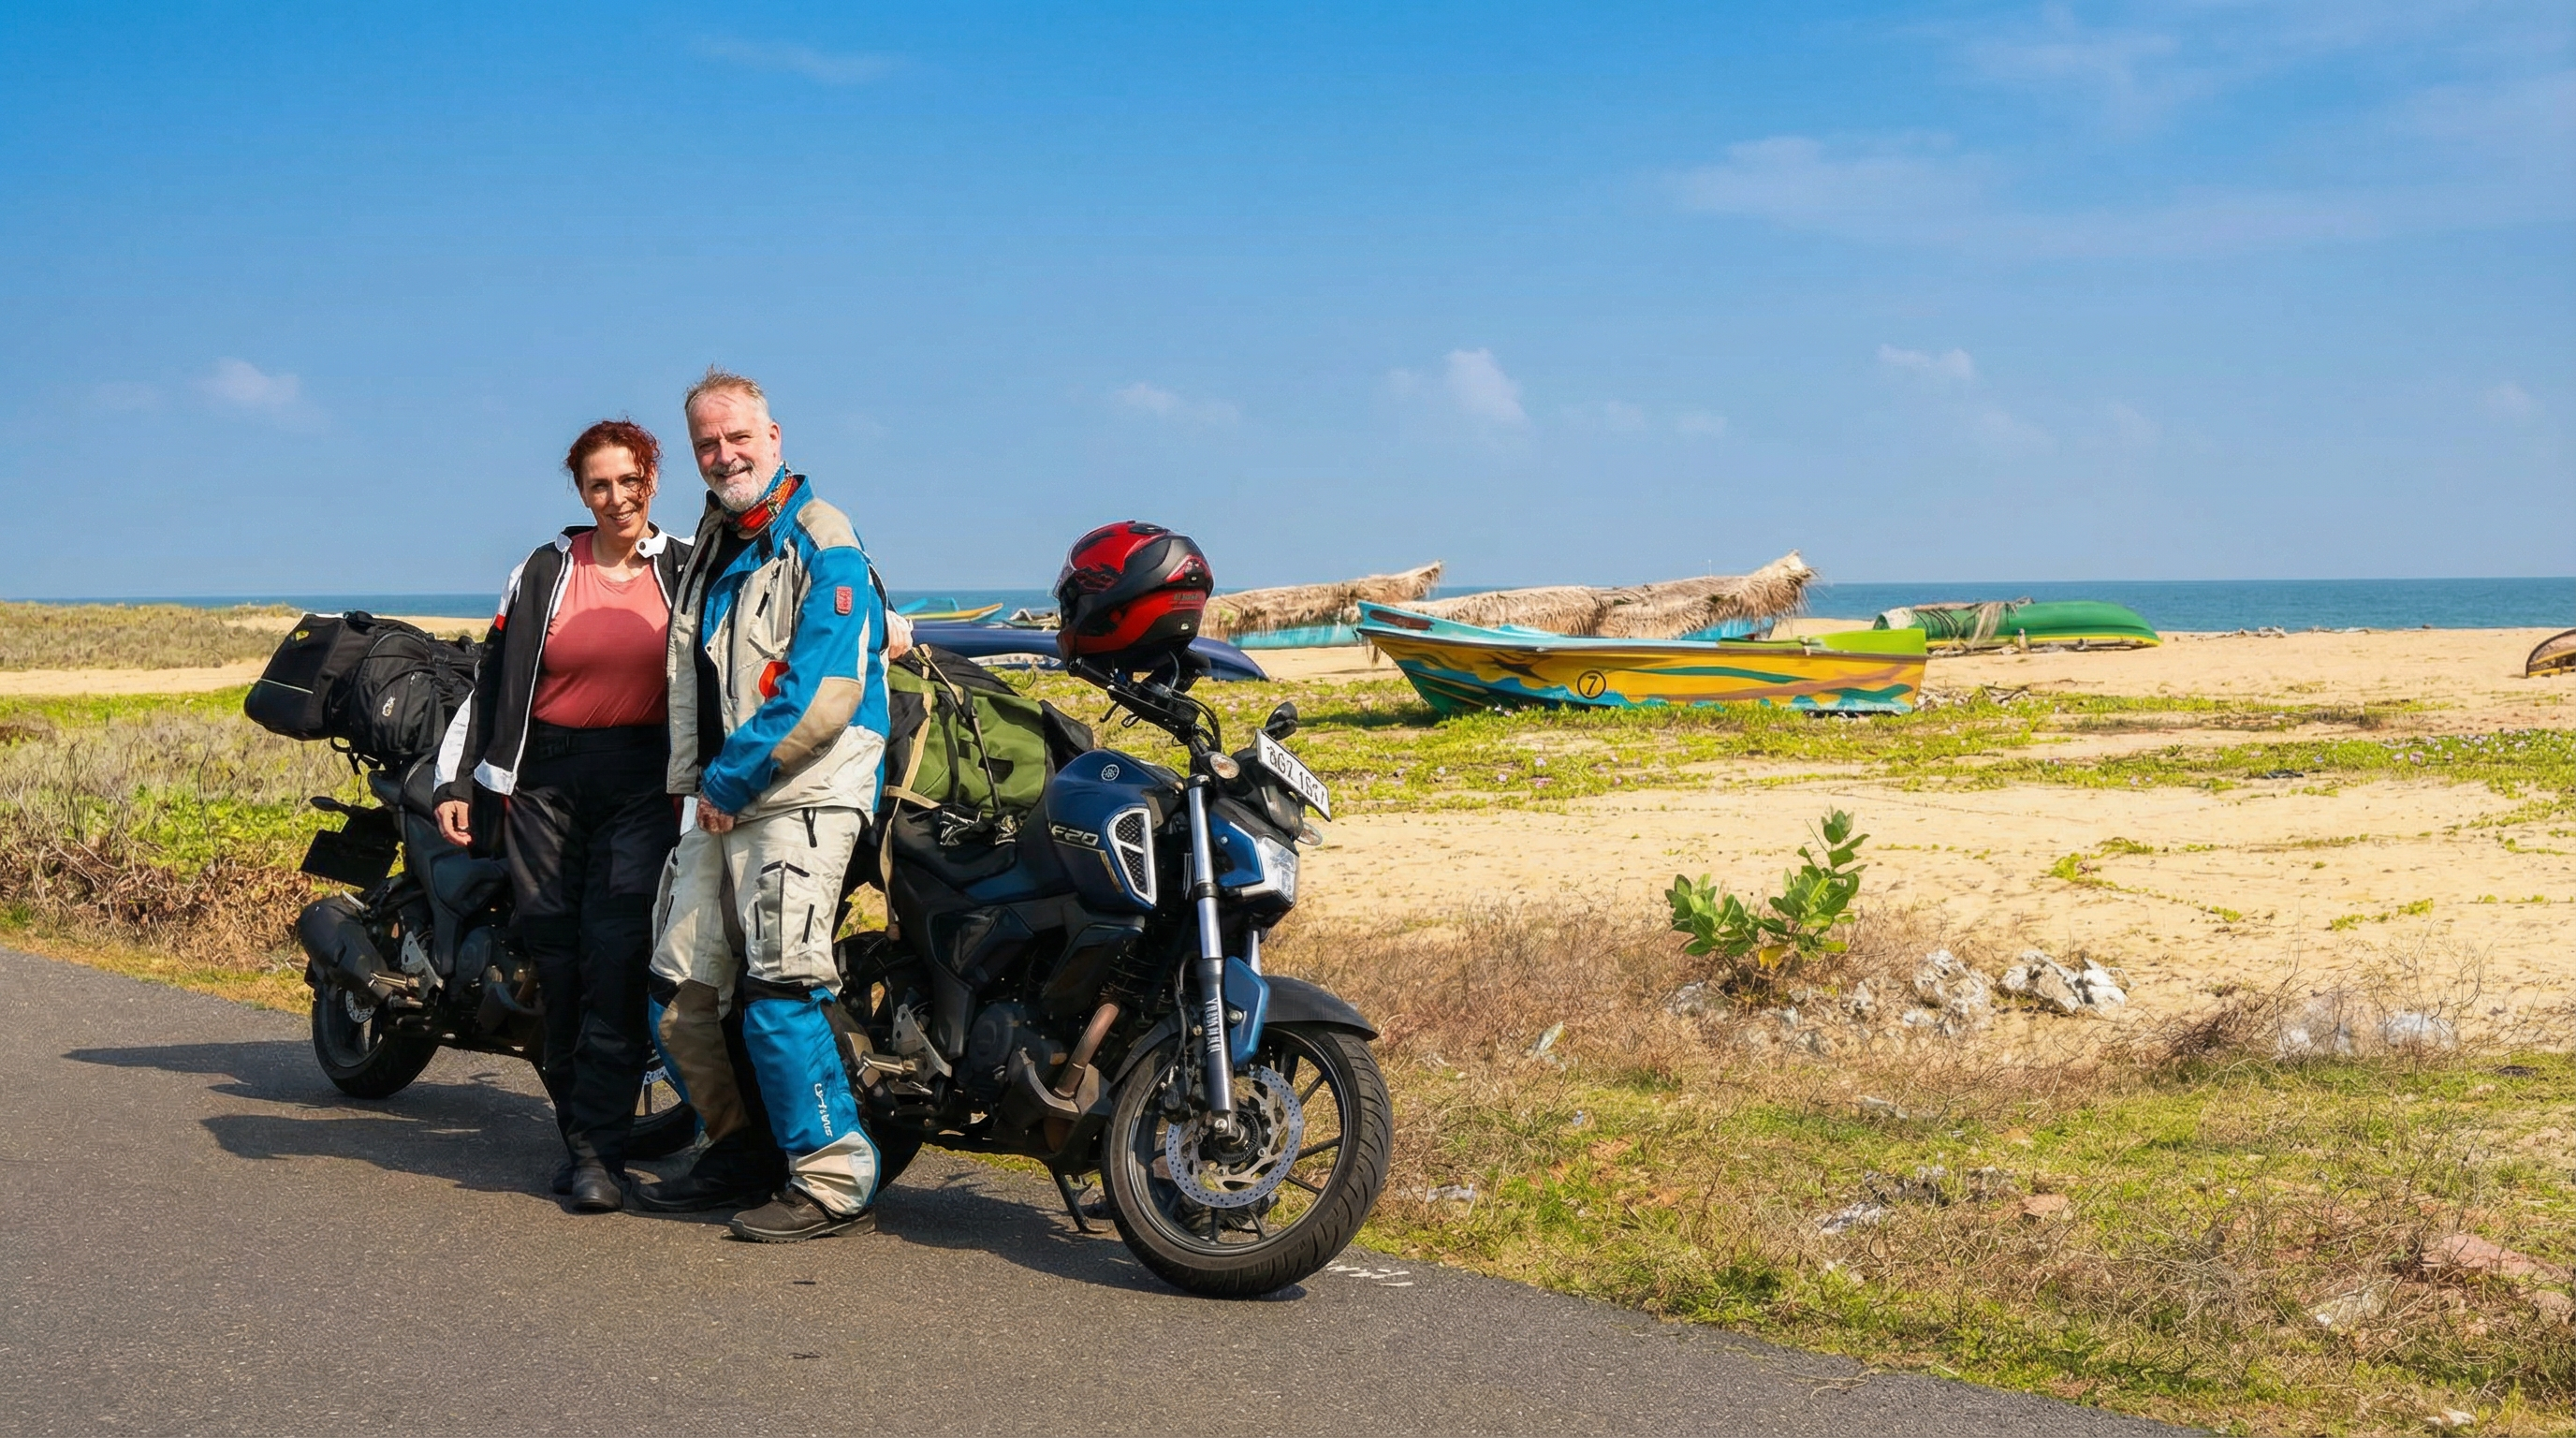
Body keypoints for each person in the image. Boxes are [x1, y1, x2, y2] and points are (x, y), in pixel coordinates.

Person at [639, 367, 907, 1242]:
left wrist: (727, 781)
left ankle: (833, 1176)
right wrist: (700, 787)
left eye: (738, 438)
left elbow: (824, 690)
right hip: (722, 802)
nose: (723, 456)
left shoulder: (822, 535)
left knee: (782, 986)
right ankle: (741, 1151)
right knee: (679, 992)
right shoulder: (718, 542)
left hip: (803, 791)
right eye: (707, 445)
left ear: (775, 436)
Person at [432, 419, 691, 1213]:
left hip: (643, 782)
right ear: (581, 493)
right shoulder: (544, 570)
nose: (616, 498)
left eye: (629, 481)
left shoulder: (684, 567)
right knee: (560, 961)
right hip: (544, 781)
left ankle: (597, 1155)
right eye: (598, 485)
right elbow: (495, 679)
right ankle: (584, 1141)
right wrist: (454, 781)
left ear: (653, 478)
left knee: (616, 956)